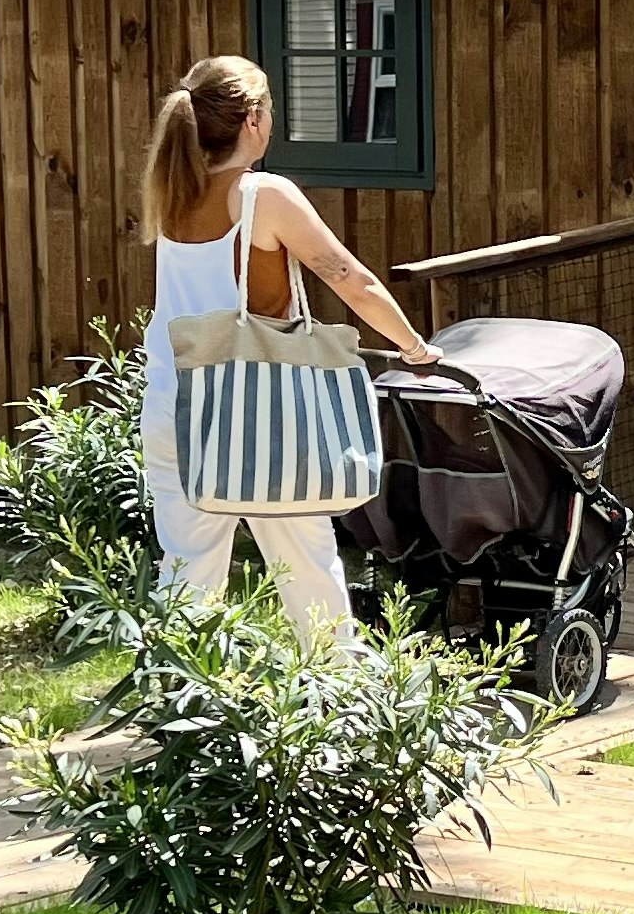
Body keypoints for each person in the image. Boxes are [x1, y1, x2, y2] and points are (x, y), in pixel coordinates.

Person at [138, 54, 441, 645]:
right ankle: (337, 707)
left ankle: (181, 701)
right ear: (252, 119)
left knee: (186, 573)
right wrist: (412, 346)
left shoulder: (174, 187)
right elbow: (350, 279)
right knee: (307, 567)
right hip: (256, 411)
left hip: (175, 402)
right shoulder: (261, 194)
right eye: (269, 107)